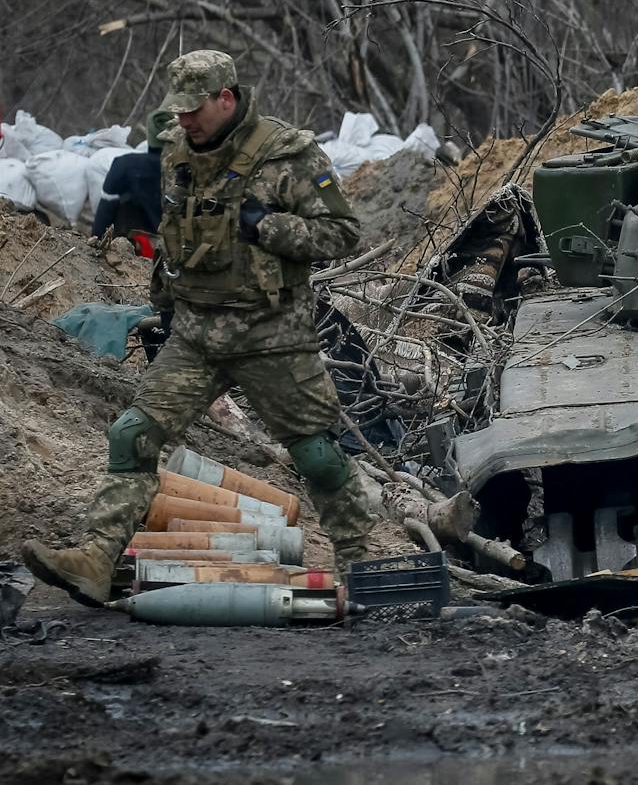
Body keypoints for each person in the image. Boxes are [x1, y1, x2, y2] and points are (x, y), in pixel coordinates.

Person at [23, 50, 374, 606]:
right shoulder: (179, 155)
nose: (183, 121)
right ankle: (94, 558)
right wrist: (162, 303)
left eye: (194, 109)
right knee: (131, 435)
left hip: (271, 334)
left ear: (226, 99)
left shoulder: (290, 153)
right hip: (196, 334)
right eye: (177, 110)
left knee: (317, 455)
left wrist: (273, 229)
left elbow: (345, 232)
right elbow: (176, 235)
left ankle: (360, 569)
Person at [91, 109, 171, 242]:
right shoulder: (191, 168)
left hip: (134, 251)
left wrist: (95, 242)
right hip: (178, 252)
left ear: (149, 135)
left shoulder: (124, 165)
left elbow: (104, 214)